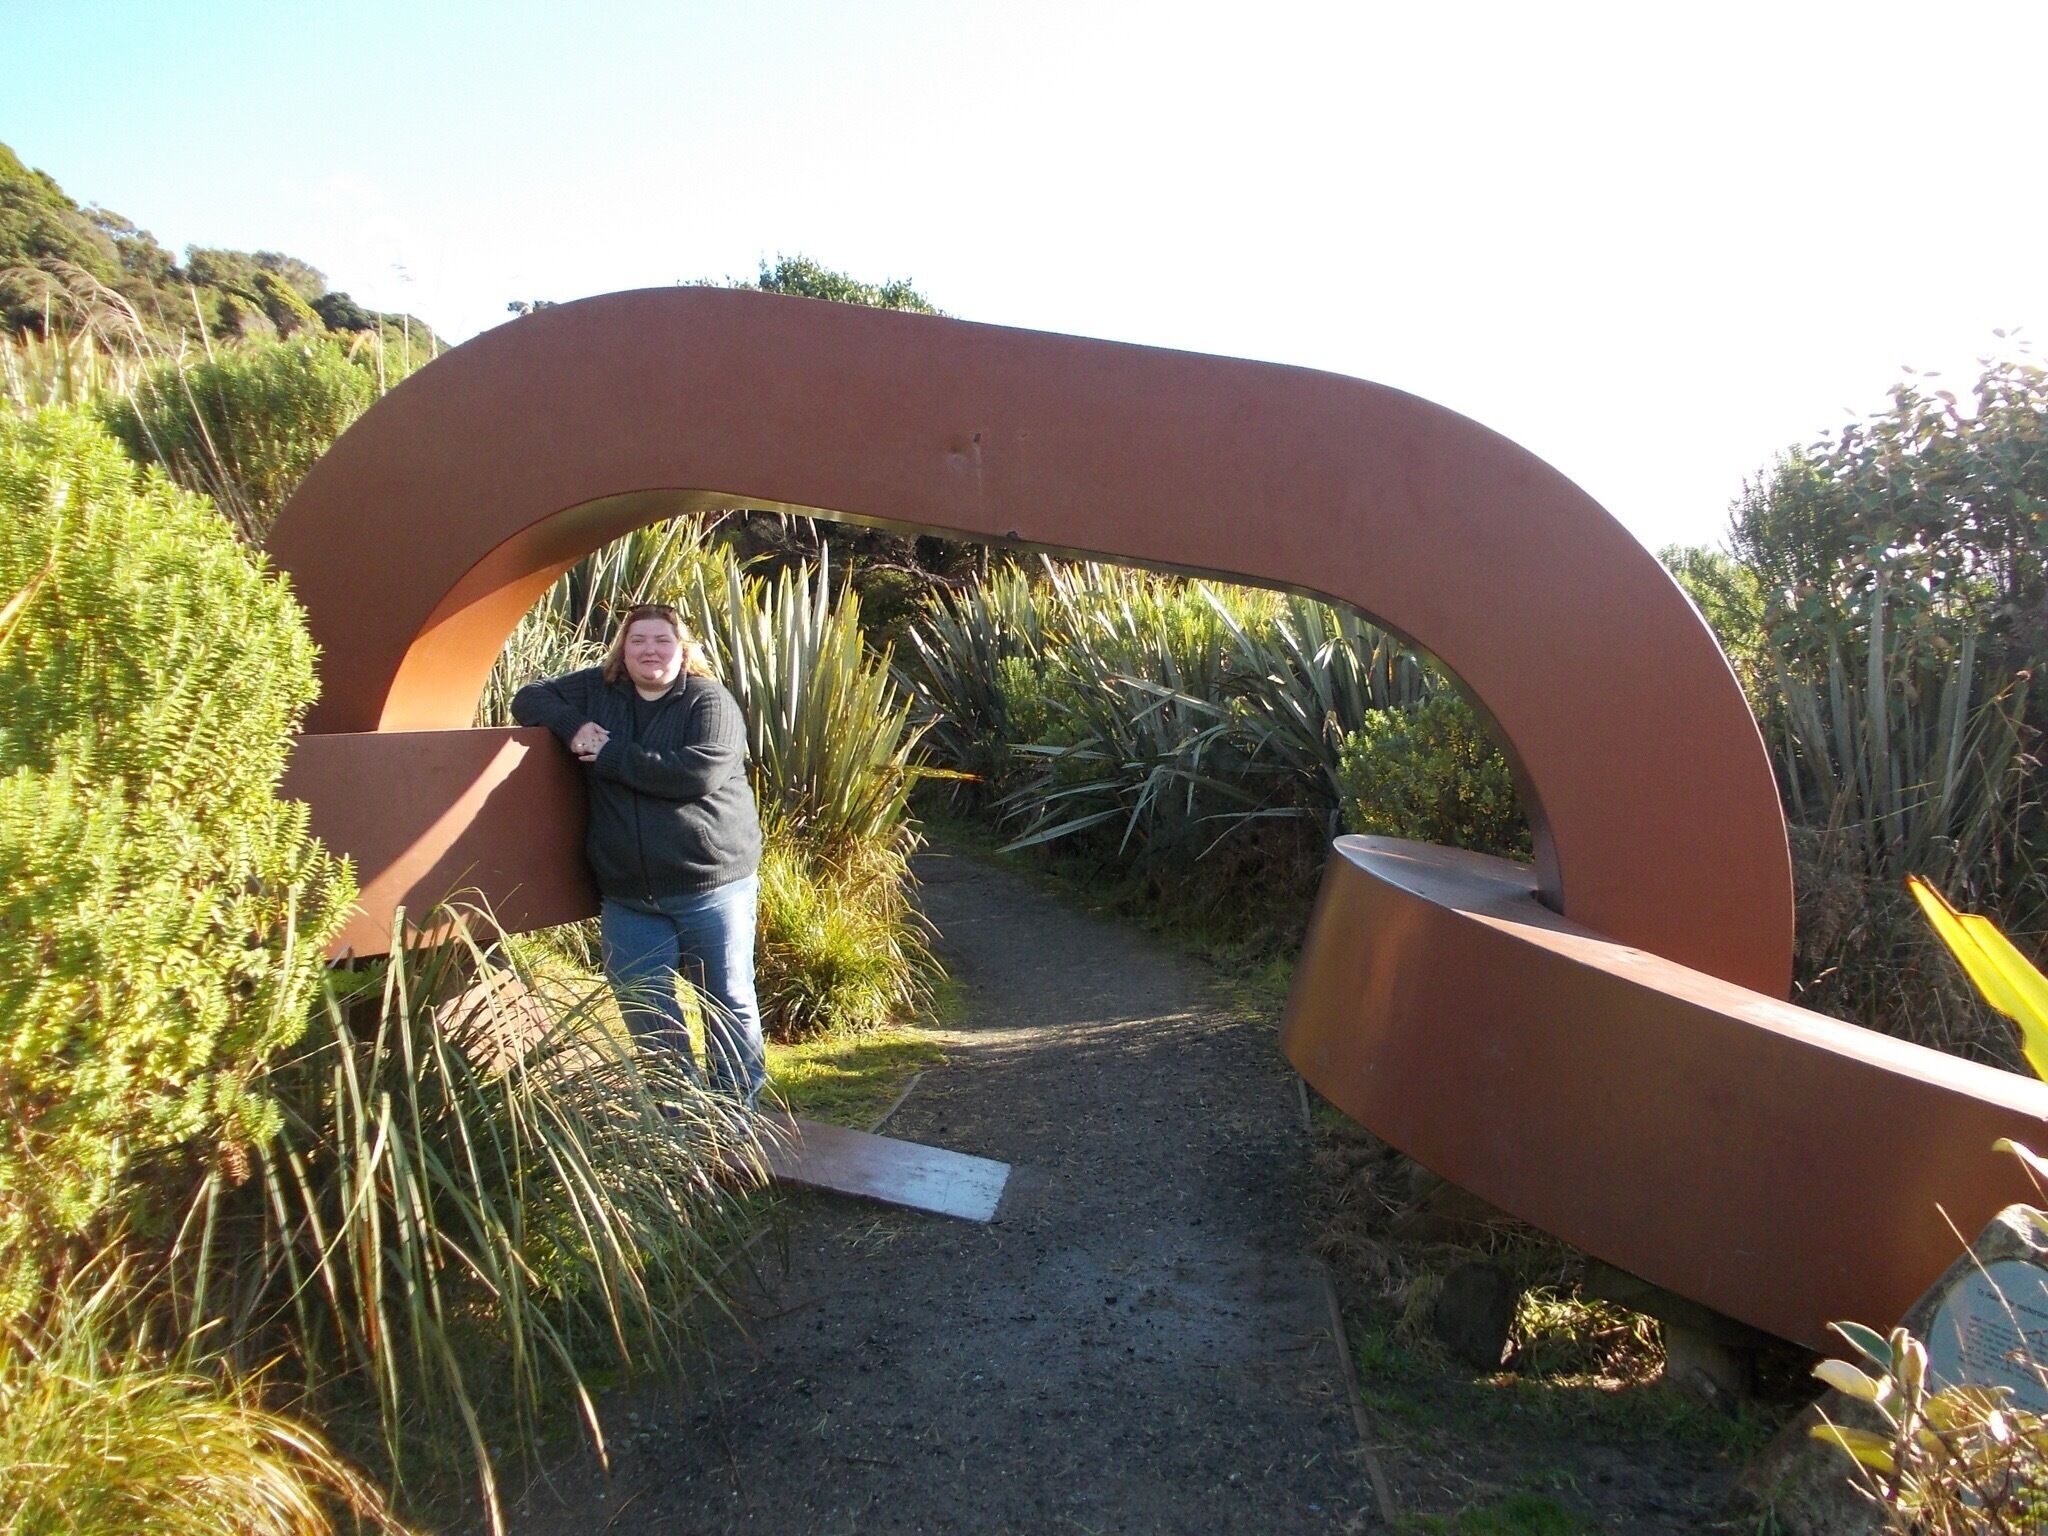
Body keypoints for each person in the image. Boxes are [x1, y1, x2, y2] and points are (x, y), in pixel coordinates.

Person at [512, 602, 766, 1108]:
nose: (651, 650)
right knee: (643, 1004)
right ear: (622, 650)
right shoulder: (599, 689)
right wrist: (572, 725)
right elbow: (529, 697)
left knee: (727, 1002)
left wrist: (609, 756)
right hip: (629, 895)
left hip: (710, 886)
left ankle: (737, 1113)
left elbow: (695, 774)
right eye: (638, 640)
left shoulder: (709, 702)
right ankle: (679, 1111)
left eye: (662, 640)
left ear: (682, 650)